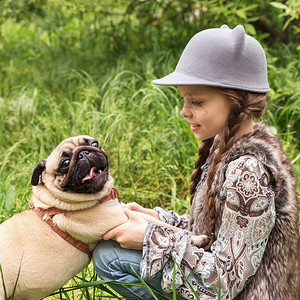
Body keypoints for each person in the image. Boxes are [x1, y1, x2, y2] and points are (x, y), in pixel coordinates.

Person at [92, 25, 299, 299]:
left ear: (236, 100)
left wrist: (151, 237)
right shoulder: (225, 146)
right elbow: (218, 234)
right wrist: (159, 221)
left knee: (110, 258)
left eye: (197, 101)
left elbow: (226, 282)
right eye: (184, 100)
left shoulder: (247, 170)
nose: (184, 111)